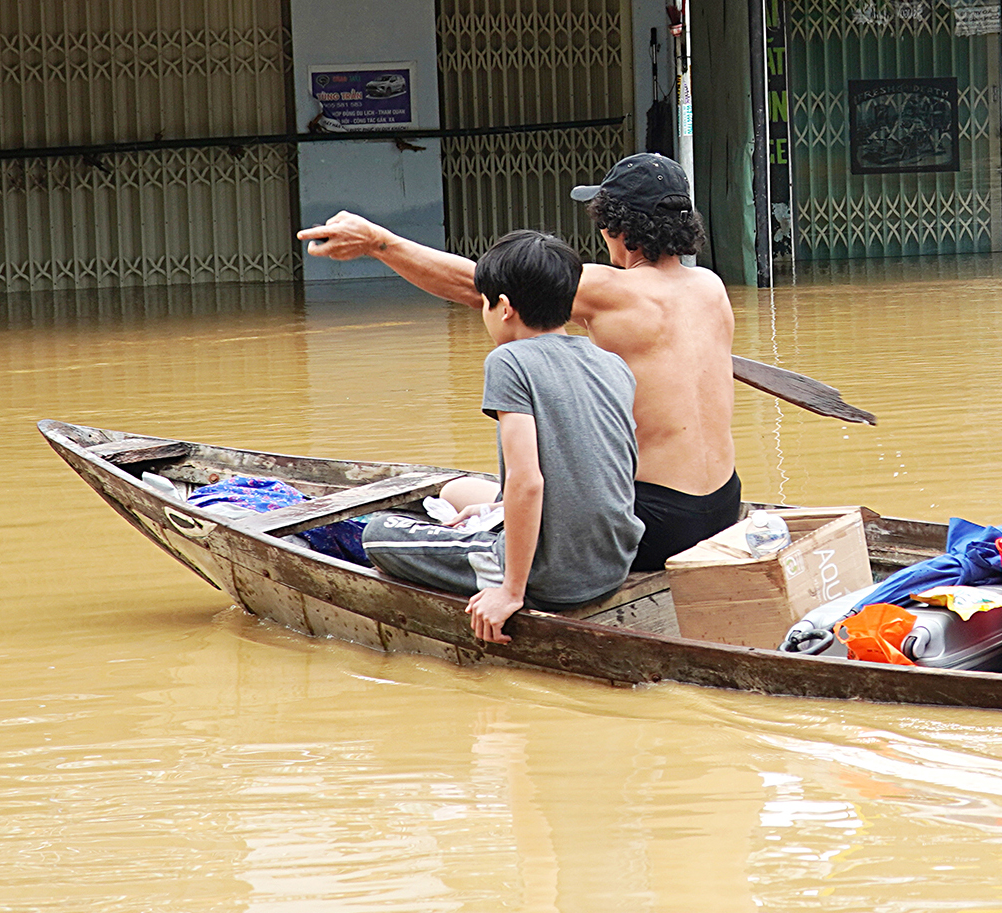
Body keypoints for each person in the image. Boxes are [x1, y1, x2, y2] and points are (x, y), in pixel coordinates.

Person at [301, 152, 739, 571]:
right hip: (722, 509)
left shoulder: (608, 290)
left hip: (654, 528)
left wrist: (381, 243)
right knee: (468, 492)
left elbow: (484, 287)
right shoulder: (710, 287)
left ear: (617, 227)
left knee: (453, 491)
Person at [360, 230, 643, 642]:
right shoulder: (612, 363)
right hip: (613, 563)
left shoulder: (509, 361)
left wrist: (511, 591)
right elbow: (612, 467)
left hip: (551, 578)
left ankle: (505, 569)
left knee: (378, 534)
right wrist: (498, 514)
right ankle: (497, 531)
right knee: (463, 497)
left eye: (486, 304)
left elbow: (528, 481)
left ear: (504, 307)